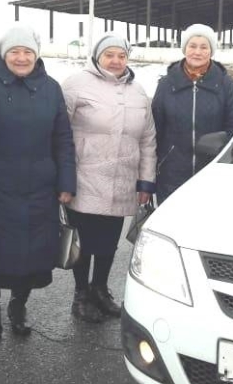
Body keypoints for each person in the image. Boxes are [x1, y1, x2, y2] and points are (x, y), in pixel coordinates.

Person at [0, 24, 76, 340]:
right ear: (3, 54)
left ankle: (18, 305)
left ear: (36, 55)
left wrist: (66, 181)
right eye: (15, 51)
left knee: (32, 253)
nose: (22, 58)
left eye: (28, 52)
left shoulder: (51, 88)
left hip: (40, 188)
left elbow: (63, 139)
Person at [60, 33, 156, 322]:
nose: (115, 61)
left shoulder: (138, 92)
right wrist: (62, 177)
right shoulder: (76, 84)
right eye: (109, 55)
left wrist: (146, 181)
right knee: (83, 241)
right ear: (97, 56)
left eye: (121, 55)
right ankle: (81, 295)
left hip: (121, 180)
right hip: (84, 178)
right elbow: (58, 132)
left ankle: (100, 289)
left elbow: (148, 139)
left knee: (108, 241)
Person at [152, 23, 233, 203]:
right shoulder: (166, 84)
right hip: (172, 174)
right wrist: (156, 167)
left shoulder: (225, 84)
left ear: (211, 51)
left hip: (212, 173)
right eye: (192, 46)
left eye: (204, 47)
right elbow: (155, 129)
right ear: (184, 49)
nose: (197, 52)